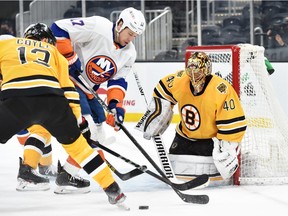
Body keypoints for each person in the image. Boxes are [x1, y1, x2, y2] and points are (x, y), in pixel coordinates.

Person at [0, 23, 126, 206]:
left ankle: (28, 168)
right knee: (80, 148)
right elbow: (70, 91)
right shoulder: (55, 53)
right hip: (53, 102)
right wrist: (78, 123)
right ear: (46, 40)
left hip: (16, 99)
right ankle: (113, 189)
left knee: (38, 132)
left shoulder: (7, 44)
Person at [136, 52, 247, 186]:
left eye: (198, 72)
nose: (193, 76)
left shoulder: (221, 89)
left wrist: (227, 147)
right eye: (190, 71)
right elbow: (163, 90)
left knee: (212, 178)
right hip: (184, 137)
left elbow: (232, 119)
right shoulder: (180, 79)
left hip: (209, 141)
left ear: (206, 71)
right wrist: (156, 115)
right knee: (175, 170)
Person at [50, 6, 146, 134]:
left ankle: (91, 153)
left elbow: (117, 81)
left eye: (134, 36)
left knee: (99, 128)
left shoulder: (130, 53)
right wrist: (69, 56)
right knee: (87, 126)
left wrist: (115, 105)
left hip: (89, 91)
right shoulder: (98, 26)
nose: (130, 39)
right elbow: (58, 28)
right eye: (129, 33)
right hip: (69, 82)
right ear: (120, 24)